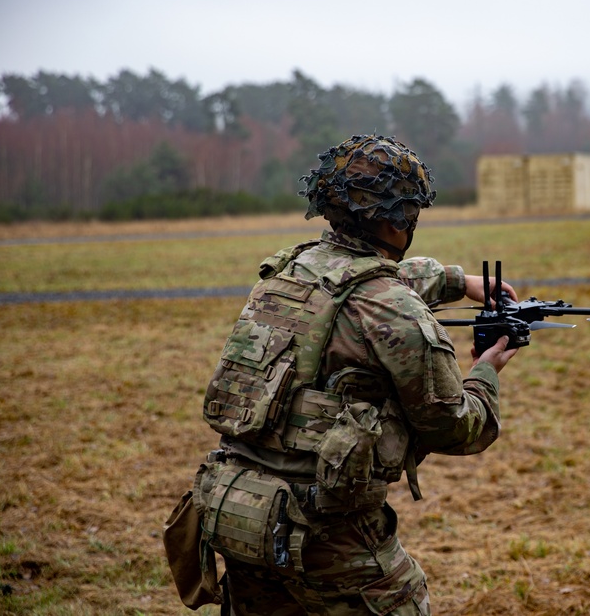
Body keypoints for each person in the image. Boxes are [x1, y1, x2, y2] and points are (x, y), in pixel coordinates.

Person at [180, 134, 518, 615]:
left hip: (236, 517)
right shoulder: (396, 311)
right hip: (323, 537)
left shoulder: (288, 271)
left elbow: (361, 278)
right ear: (401, 218)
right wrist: (485, 372)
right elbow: (459, 427)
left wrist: (456, 281)